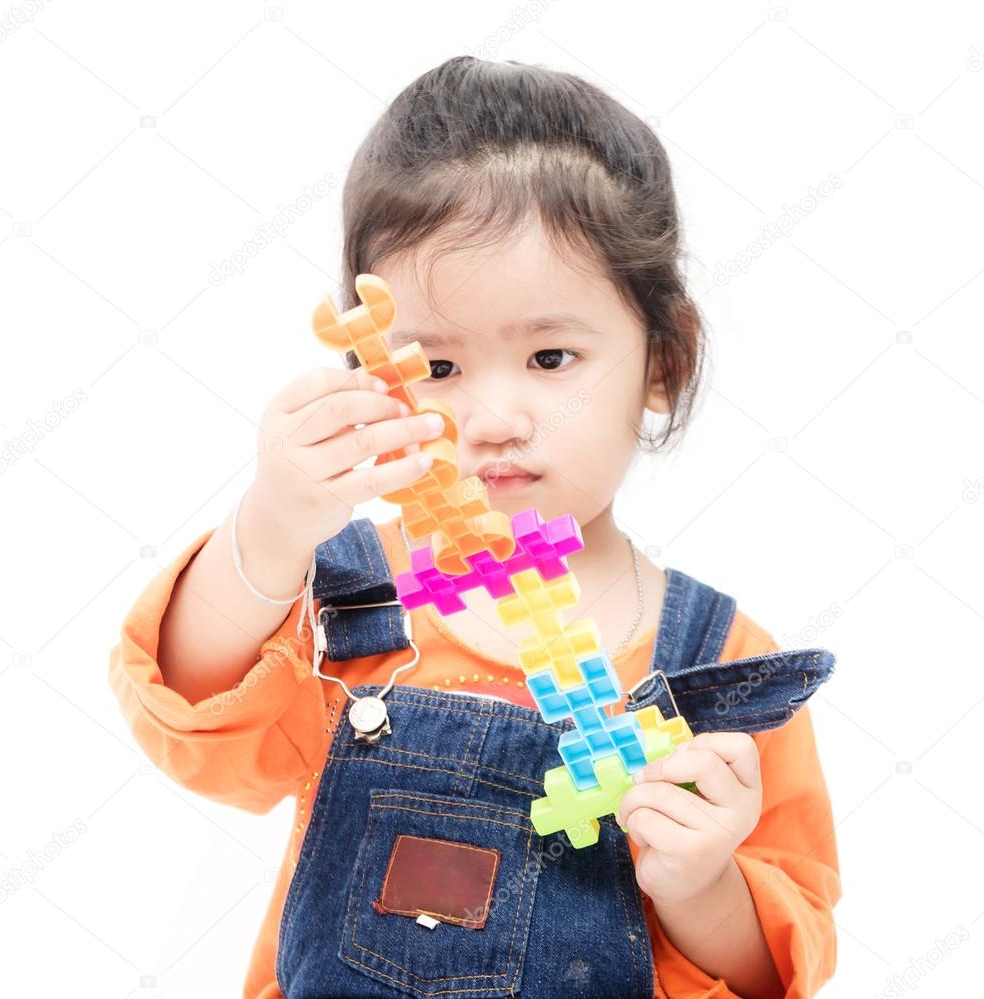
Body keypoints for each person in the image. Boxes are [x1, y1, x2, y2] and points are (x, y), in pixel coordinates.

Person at [109, 56, 841, 999]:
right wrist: (271, 528)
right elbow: (193, 718)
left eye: (549, 355)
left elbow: (776, 965)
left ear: (661, 359)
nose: (493, 417)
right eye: (439, 368)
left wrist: (699, 883)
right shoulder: (345, 604)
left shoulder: (719, 664)